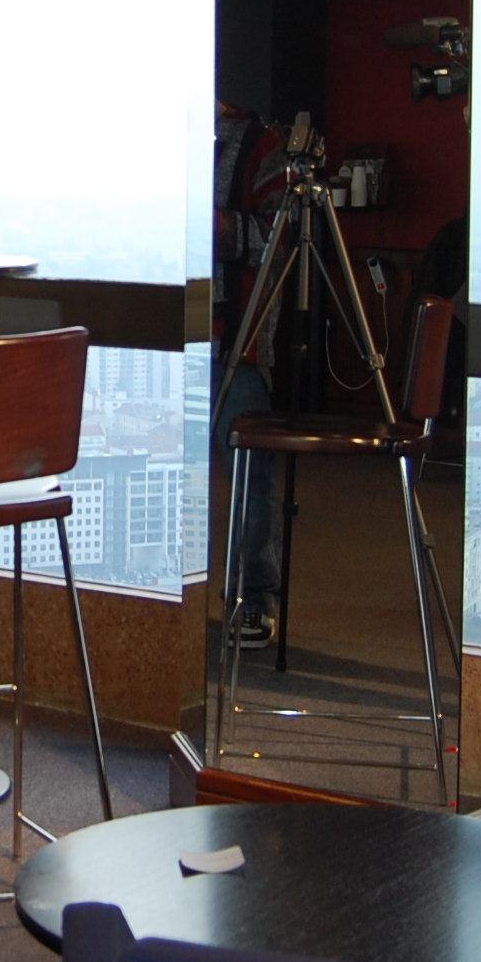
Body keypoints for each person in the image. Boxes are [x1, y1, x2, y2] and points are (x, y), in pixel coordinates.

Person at [211, 95, 288, 645]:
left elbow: (276, 239)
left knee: (248, 477)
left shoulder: (260, 143)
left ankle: (253, 599)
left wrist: (205, 223)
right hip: (165, 335)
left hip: (239, 341)